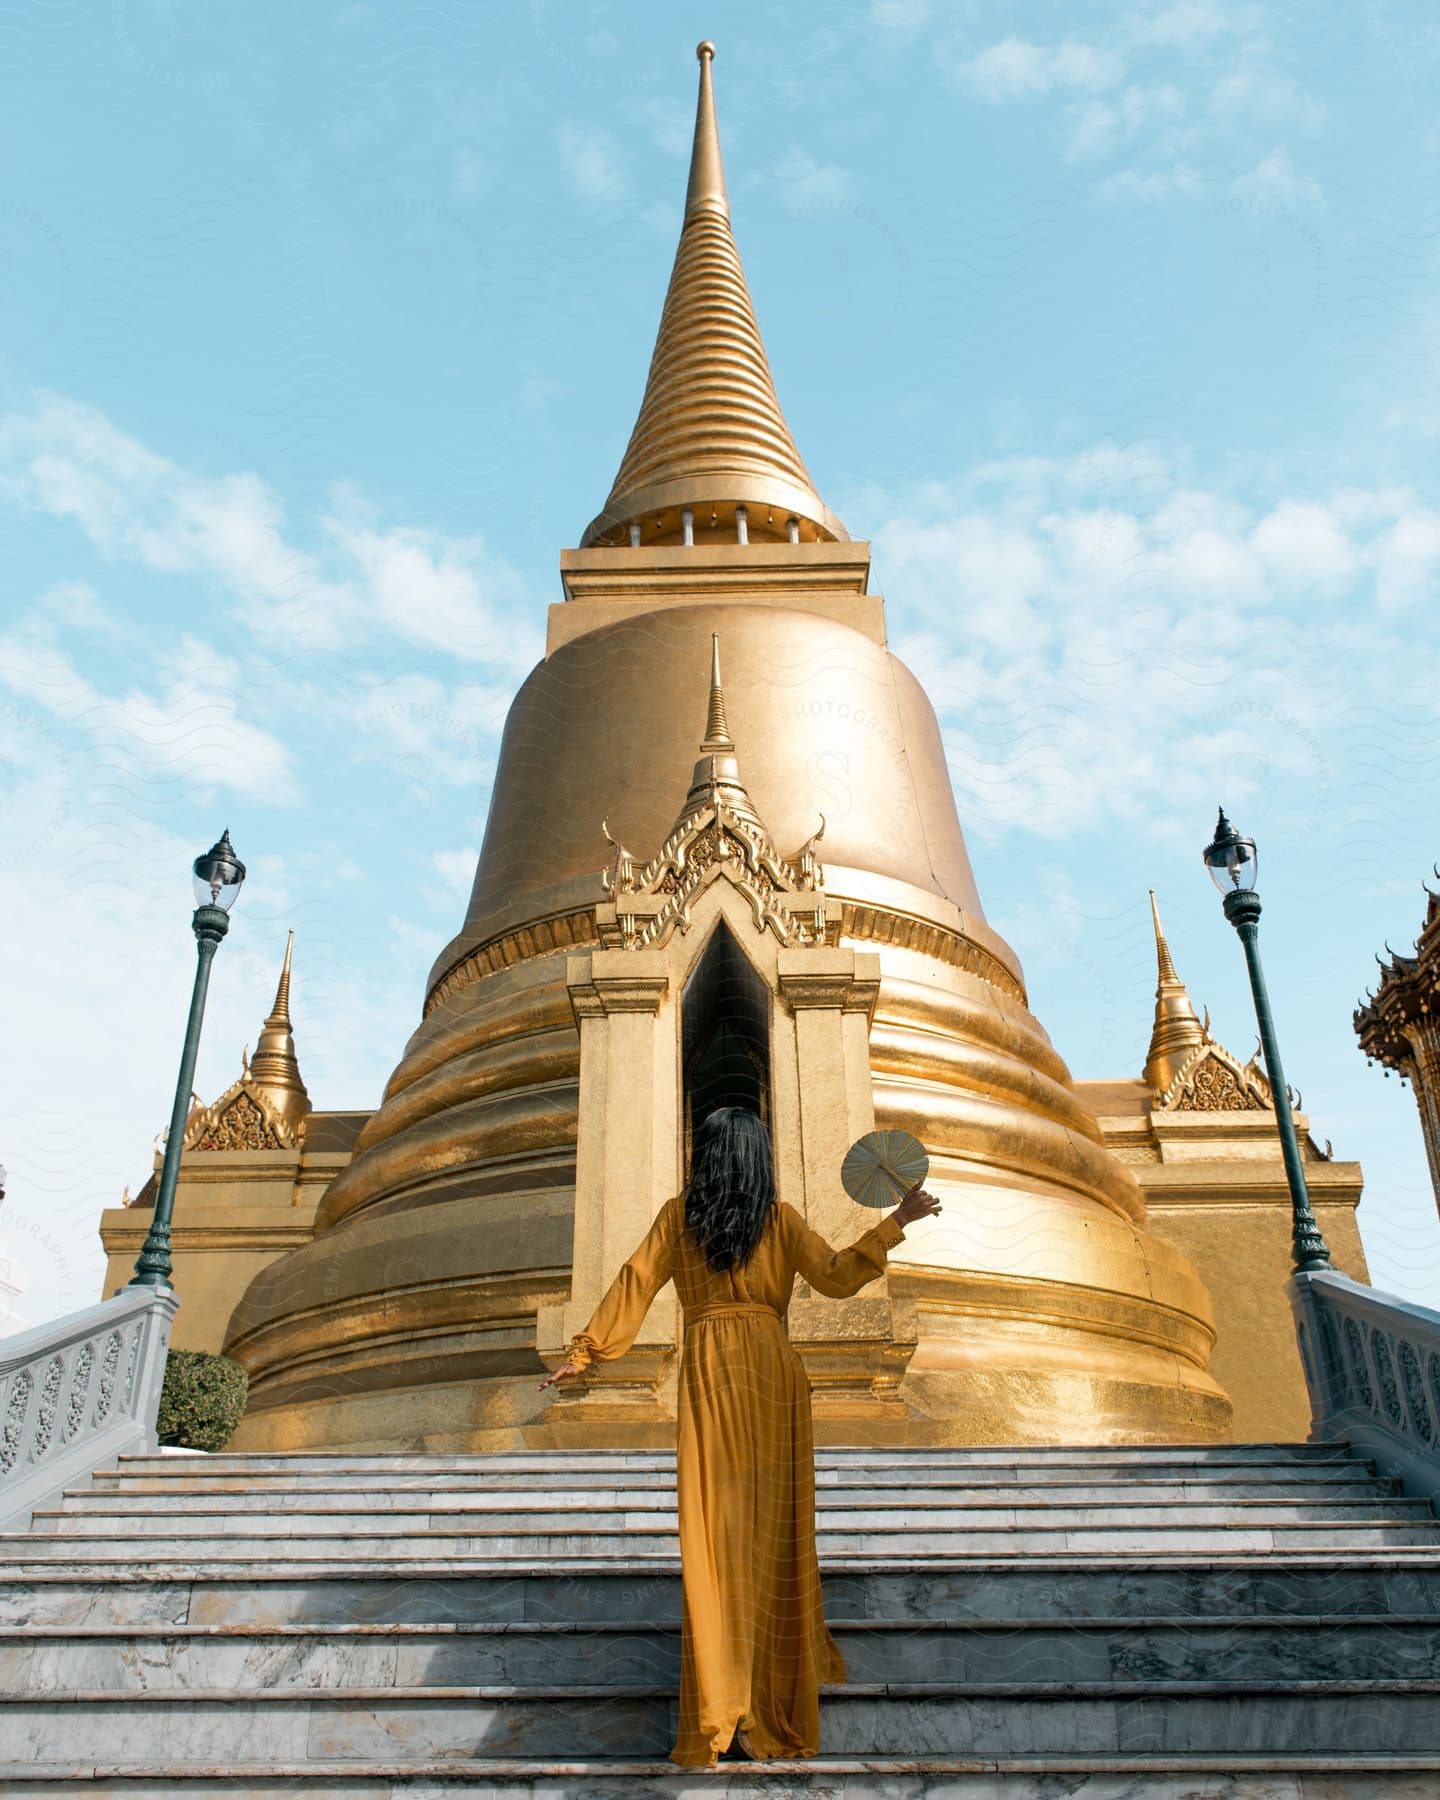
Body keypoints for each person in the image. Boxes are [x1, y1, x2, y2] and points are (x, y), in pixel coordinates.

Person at [538, 1106, 942, 1768]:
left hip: (711, 1374)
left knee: (714, 1541)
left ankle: (727, 1710)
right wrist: (896, 1224)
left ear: (705, 1156)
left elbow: (635, 1284)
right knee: (770, 1540)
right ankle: (760, 1715)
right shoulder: (778, 1220)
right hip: (772, 1372)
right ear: (761, 1158)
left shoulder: (680, 1217)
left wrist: (586, 1353)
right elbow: (838, 1276)